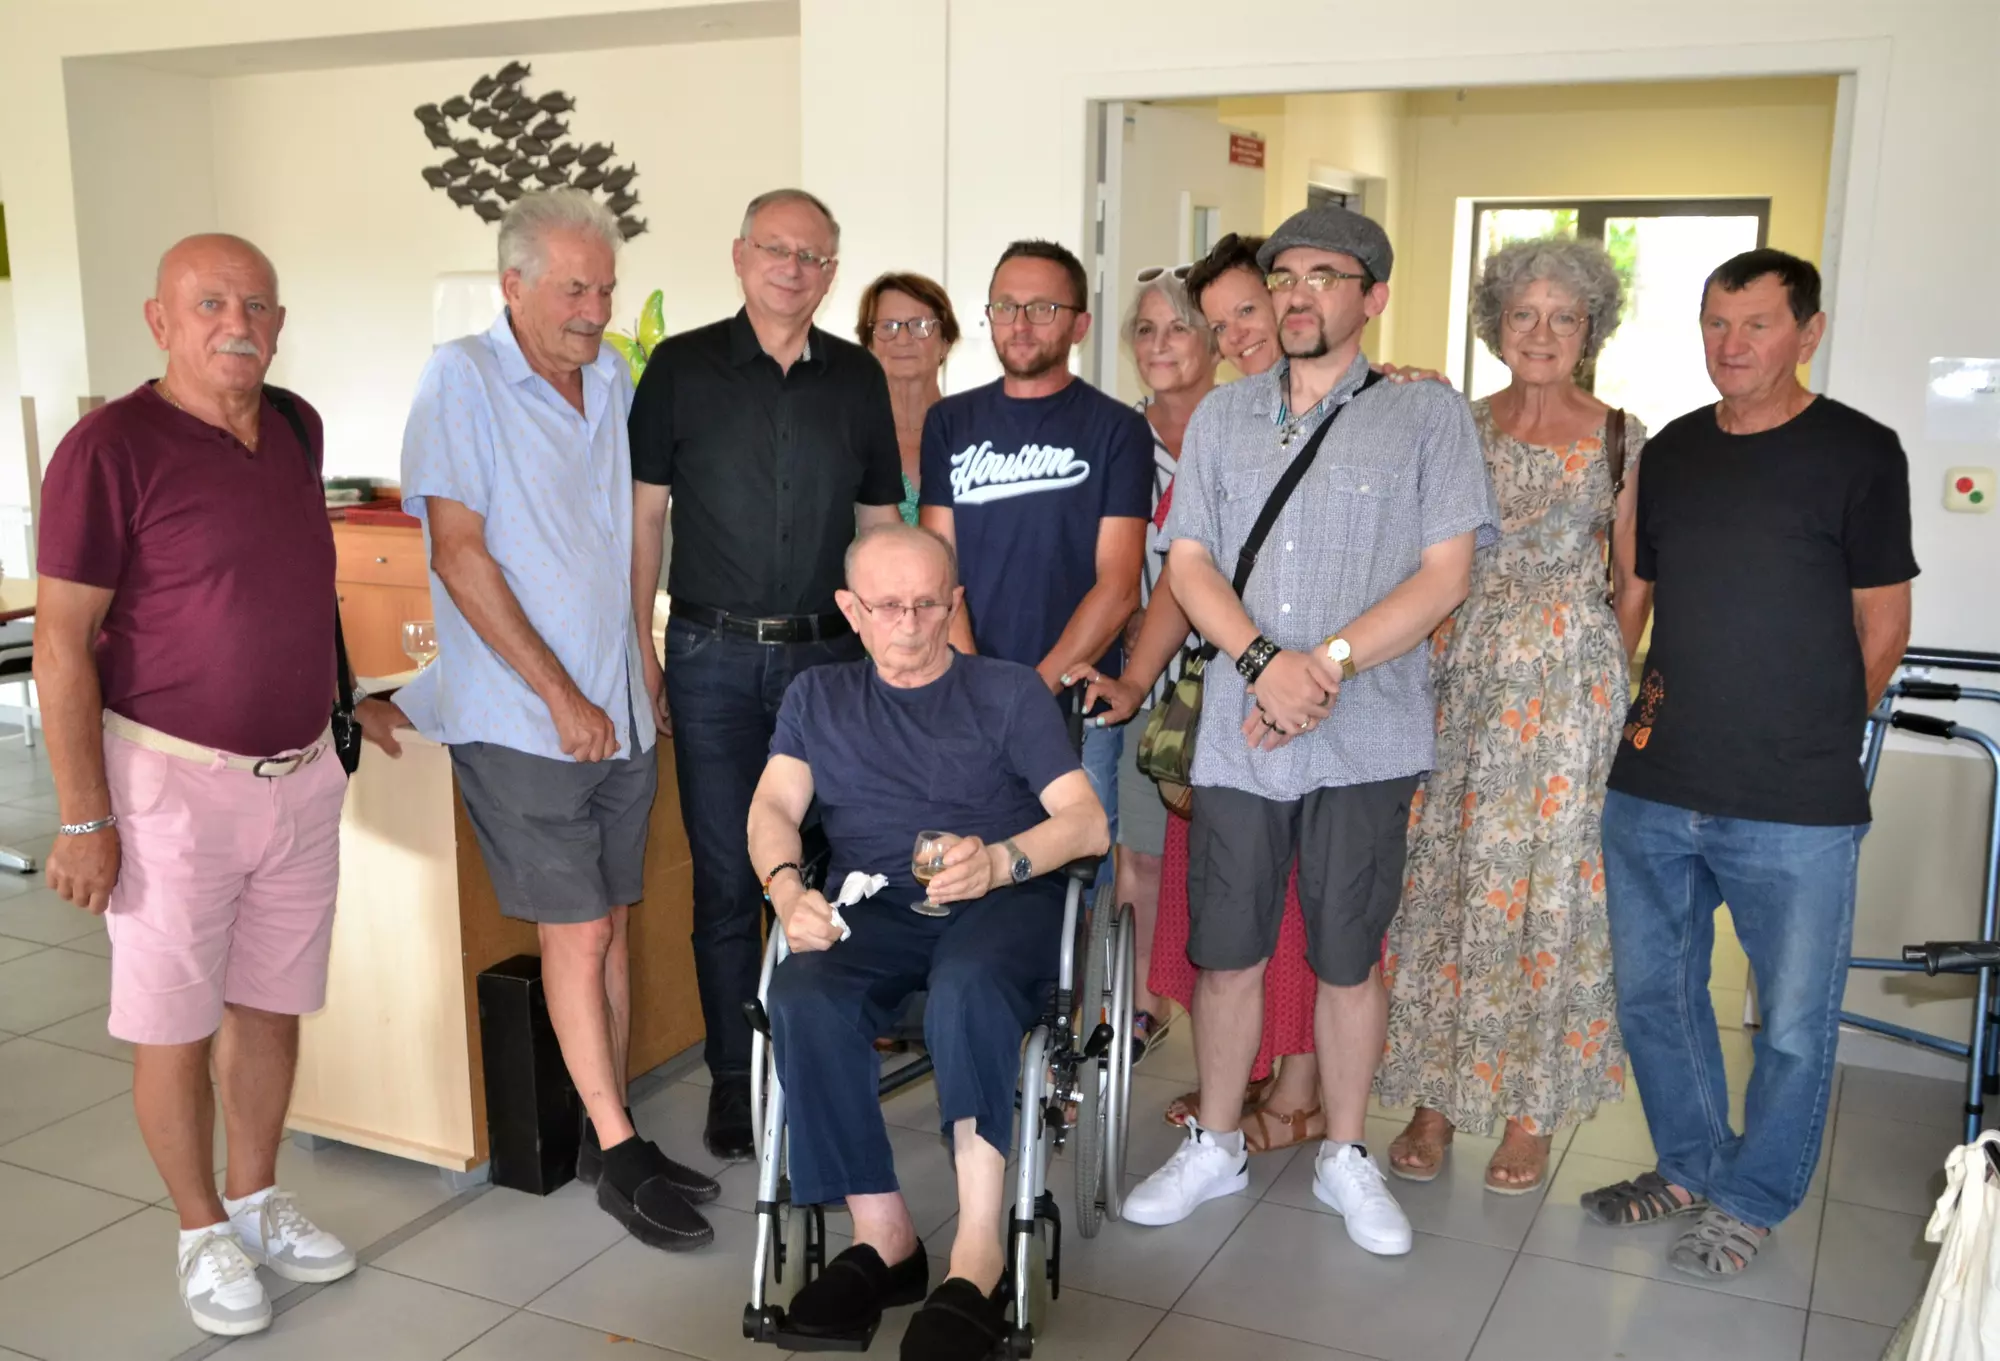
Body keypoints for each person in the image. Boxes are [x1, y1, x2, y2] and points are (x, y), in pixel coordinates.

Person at [32, 233, 397, 1335]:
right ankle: (199, 1231)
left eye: (255, 304)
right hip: (168, 786)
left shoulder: (293, 424)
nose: (235, 321)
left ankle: (255, 1195)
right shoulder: (107, 448)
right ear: (159, 319)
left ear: (278, 322)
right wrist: (84, 815)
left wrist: (348, 696)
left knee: (271, 1003)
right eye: (208, 303)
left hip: (298, 778)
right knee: (174, 1022)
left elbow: (296, 586)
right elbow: (61, 642)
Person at [1121, 203, 1498, 1257]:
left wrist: (1321, 665)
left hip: (1366, 728)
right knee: (1227, 946)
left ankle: (1341, 1150)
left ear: (1369, 297)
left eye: (1322, 276)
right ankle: (1218, 1141)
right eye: (1282, 276)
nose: (1295, 295)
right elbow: (1186, 562)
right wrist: (1259, 664)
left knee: (1344, 952)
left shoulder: (1426, 417)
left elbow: (1443, 575)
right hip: (1242, 730)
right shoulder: (1225, 418)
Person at [392, 189, 719, 1251]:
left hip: (616, 707)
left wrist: (638, 663)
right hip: (525, 721)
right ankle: (621, 1157)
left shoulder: (615, 375)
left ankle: (600, 1128)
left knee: (612, 922)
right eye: (574, 286)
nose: (594, 306)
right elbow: (458, 553)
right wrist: (561, 694)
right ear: (514, 285)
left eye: (606, 285)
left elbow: (631, 539)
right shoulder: (463, 378)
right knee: (574, 931)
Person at [1581, 249, 1915, 1278]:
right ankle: (1686, 1164)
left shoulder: (1860, 452)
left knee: (1790, 1025)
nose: (1731, 346)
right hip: (1654, 783)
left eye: (1756, 325)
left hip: (1792, 801)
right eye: (1715, 324)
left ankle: (1751, 1195)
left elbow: (1882, 625)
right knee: (1653, 996)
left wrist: (1811, 736)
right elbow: (1631, 597)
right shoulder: (1672, 450)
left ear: (1806, 332)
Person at [747, 523, 1108, 1361]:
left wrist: (1000, 860)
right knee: (802, 990)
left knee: (969, 987)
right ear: (850, 609)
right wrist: (789, 889)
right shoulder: (818, 699)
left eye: (926, 603)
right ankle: (886, 1239)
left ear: (953, 603)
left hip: (1005, 898)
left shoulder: (1009, 692)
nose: (908, 622)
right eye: (886, 605)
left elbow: (1086, 823)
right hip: (876, 900)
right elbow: (772, 808)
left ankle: (979, 1256)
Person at [630, 189, 903, 1161]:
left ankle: (818, 1055)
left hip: (828, 662)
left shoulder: (857, 379)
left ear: (831, 270)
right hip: (707, 657)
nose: (793, 268)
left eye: (814, 255)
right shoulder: (678, 368)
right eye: (776, 250)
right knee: (722, 877)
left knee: (834, 865)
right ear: (741, 256)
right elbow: (645, 521)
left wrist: (887, 658)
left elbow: (878, 529)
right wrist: (640, 650)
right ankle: (730, 1079)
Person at [1376, 236, 1649, 1196]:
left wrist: (1601, 683)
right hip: (1465, 671)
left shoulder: (1623, 433)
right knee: (1449, 884)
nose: (1541, 332)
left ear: (1589, 332)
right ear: (1497, 325)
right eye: (1523, 314)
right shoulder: (1453, 422)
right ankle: (1433, 1099)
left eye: (1562, 317)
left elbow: (1633, 578)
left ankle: (1529, 1111)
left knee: (1551, 896)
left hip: (1570, 688)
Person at [918, 239, 1150, 882]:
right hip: (963, 701)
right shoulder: (950, 422)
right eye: (1006, 306)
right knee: (966, 873)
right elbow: (940, 569)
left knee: (1071, 892)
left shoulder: (1114, 430)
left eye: (1042, 307)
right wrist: (976, 686)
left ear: (1079, 324)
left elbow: (1118, 584)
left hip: (1074, 708)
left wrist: (1029, 692)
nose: (1020, 323)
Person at [857, 272, 960, 524]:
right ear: (869, 345)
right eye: (887, 327)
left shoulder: (974, 435)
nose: (902, 339)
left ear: (945, 341)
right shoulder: (848, 440)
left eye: (920, 326)